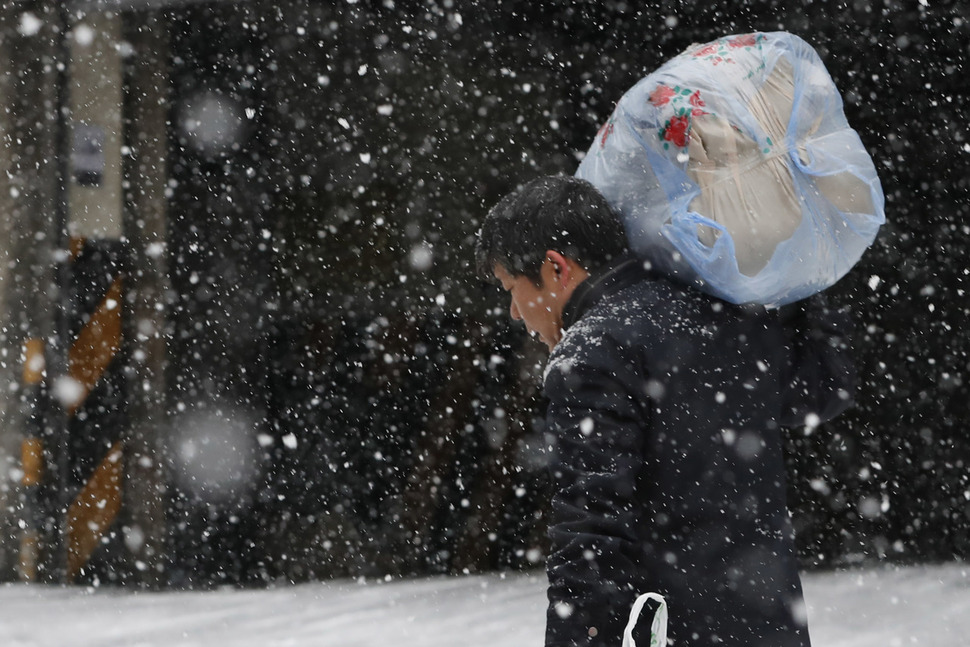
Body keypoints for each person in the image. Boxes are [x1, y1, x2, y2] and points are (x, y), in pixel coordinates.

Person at [476, 175, 855, 647]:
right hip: (768, 625)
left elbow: (591, 532)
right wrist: (800, 277)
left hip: (672, 630)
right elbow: (825, 390)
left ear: (556, 268)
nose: (514, 311)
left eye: (510, 287)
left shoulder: (595, 352)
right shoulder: (725, 316)